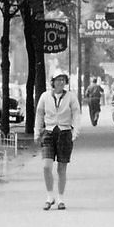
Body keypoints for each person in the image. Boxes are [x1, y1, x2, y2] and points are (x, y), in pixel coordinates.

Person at [34, 73, 81, 211]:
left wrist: (75, 132)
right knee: (46, 166)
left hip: (65, 132)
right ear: (52, 82)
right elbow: (39, 114)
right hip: (48, 132)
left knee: (61, 168)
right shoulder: (45, 96)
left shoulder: (71, 97)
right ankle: (50, 197)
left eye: (63, 80)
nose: (60, 82)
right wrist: (37, 132)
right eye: (58, 80)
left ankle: (61, 198)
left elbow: (76, 114)